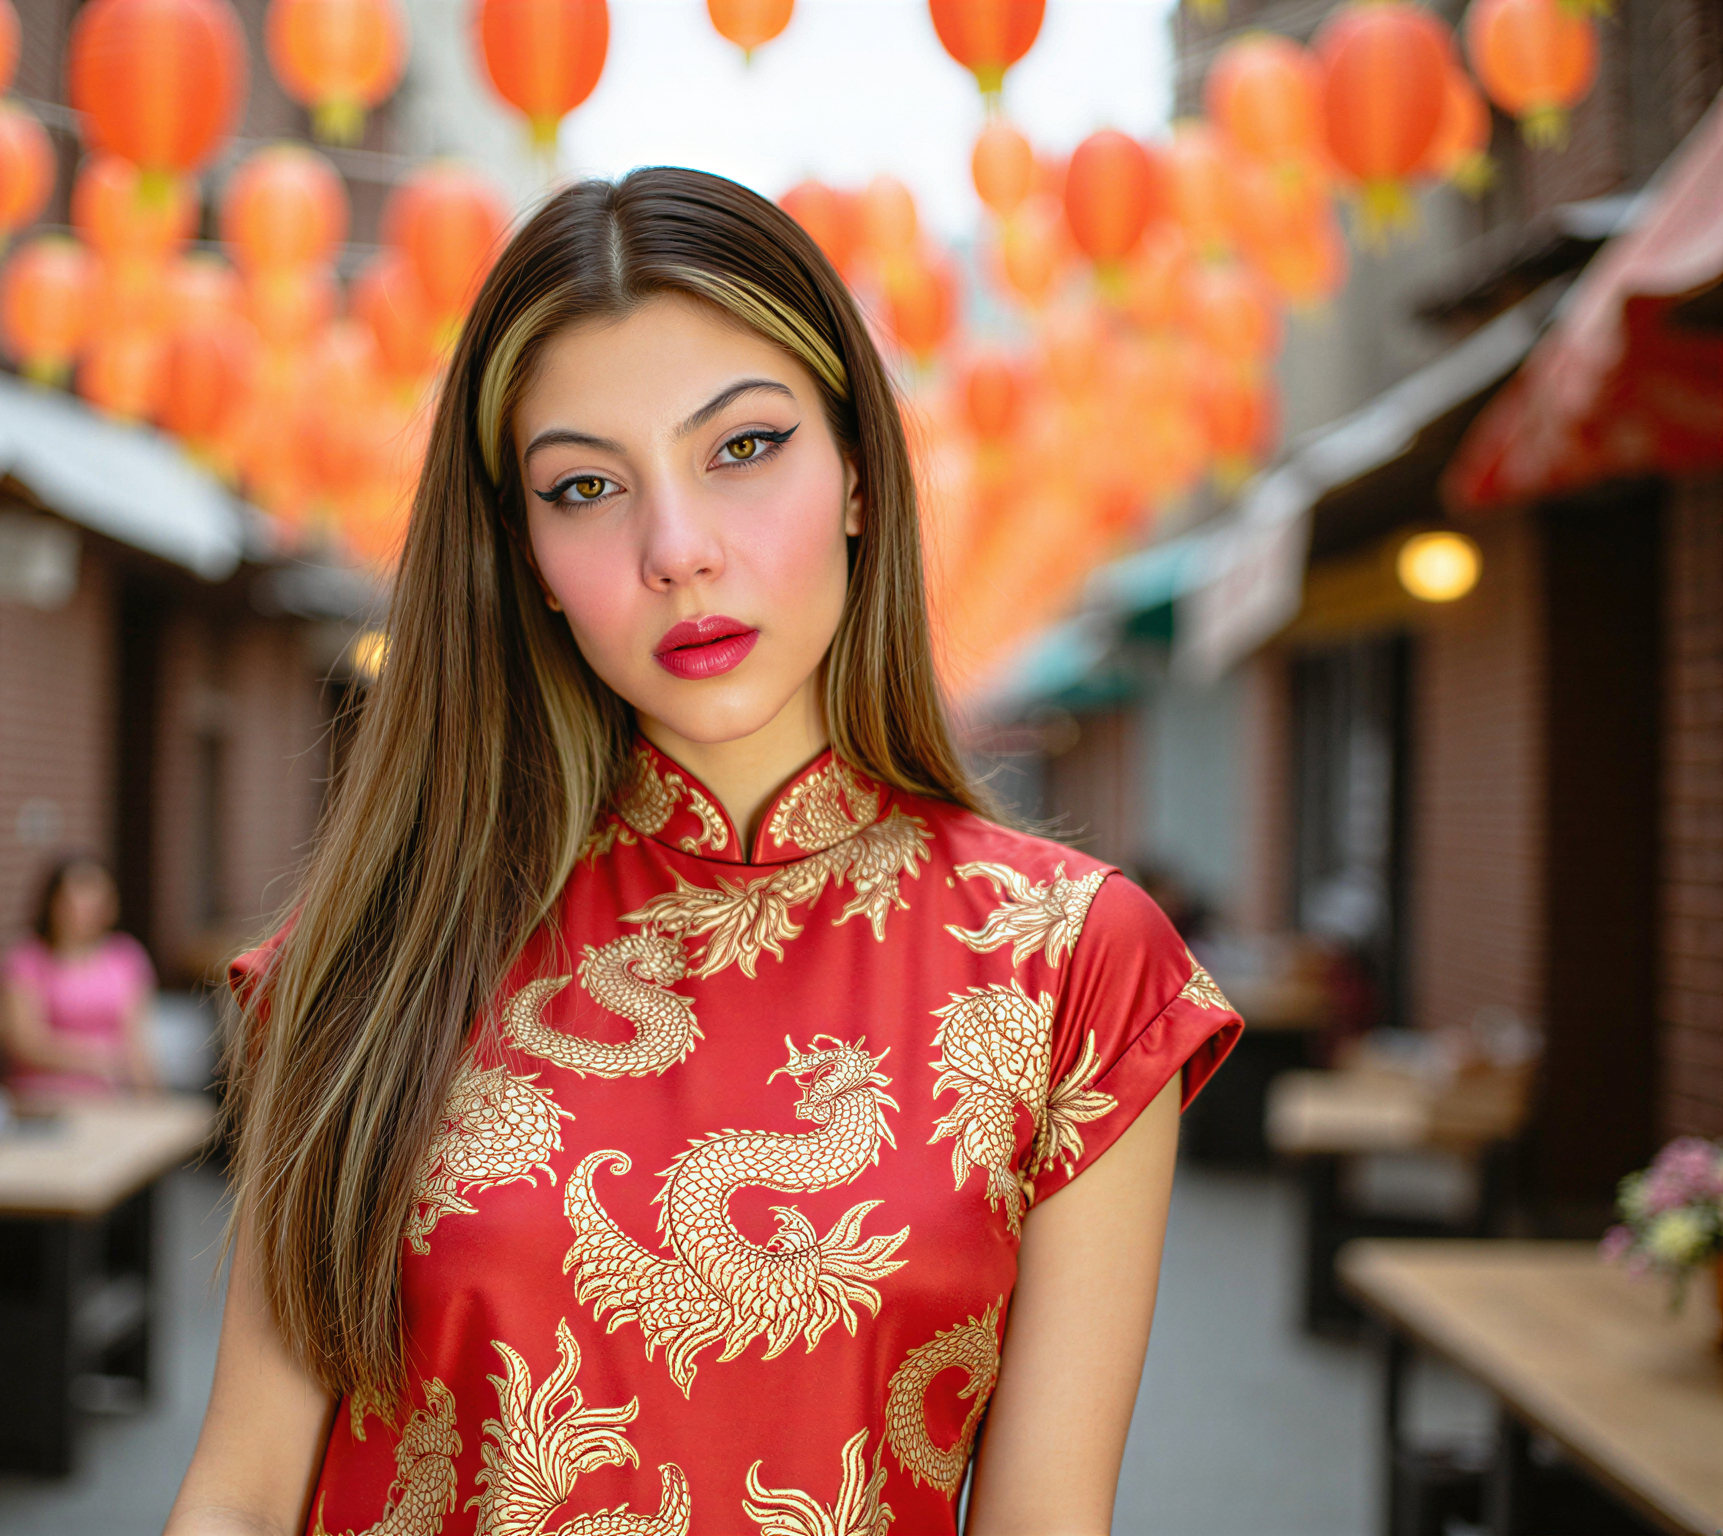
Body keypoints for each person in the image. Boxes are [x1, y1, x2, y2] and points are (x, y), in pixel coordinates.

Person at [168, 168, 1242, 1536]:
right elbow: (244, 1495)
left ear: (858, 470)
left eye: (742, 448)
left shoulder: (1069, 971)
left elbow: (1045, 1518)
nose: (677, 548)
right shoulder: (370, 960)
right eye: (584, 486)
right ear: (527, 559)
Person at [1, 854, 160, 1098]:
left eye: (95, 900)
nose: (84, 909)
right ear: (53, 902)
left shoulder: (127, 956)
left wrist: (150, 1095)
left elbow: (136, 1039)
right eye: (76, 898)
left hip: (111, 1097)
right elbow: (26, 1043)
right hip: (43, 1097)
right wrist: (100, 1059)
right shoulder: (26, 960)